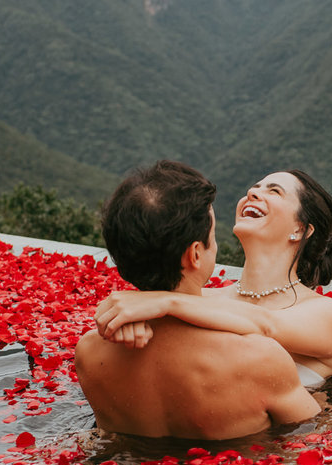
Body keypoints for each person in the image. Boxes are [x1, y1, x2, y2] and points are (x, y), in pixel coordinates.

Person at [74, 161, 319, 439]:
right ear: (195, 254)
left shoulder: (89, 352)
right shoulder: (258, 358)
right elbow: (315, 434)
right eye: (212, 237)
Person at [93, 170, 332, 388]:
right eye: (255, 187)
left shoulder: (324, 311)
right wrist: (122, 314)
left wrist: (161, 303)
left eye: (274, 191)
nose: (253, 192)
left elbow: (267, 326)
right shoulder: (203, 300)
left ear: (301, 229)